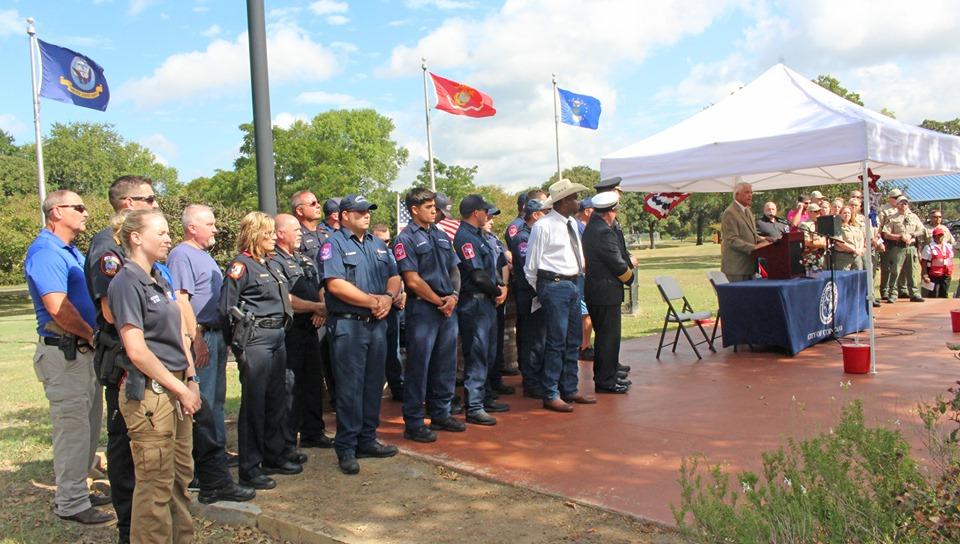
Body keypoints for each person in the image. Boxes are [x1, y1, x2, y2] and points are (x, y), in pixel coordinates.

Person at [108, 209, 200, 543]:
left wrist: (191, 380)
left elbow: (179, 335)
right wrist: (180, 388)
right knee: (155, 486)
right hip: (151, 394)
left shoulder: (158, 278)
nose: (168, 238)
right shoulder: (125, 282)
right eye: (160, 233)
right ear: (135, 237)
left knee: (179, 480)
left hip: (176, 388)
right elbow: (136, 350)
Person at [25, 190, 112, 526]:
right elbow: (57, 307)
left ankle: (79, 488)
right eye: (78, 207)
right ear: (55, 212)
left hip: (81, 352)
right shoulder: (46, 251)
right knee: (72, 429)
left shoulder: (70, 251)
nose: (86, 213)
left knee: (88, 427)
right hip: (66, 353)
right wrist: (91, 334)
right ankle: (71, 502)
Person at [84, 176, 157, 539]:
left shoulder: (128, 244)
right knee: (124, 441)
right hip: (124, 357)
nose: (156, 205)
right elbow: (113, 311)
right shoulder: (107, 246)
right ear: (128, 203)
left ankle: (142, 519)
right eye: (151, 199)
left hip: (140, 354)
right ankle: (129, 526)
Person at [320, 194, 401, 474]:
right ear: (344, 216)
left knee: (372, 384)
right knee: (349, 388)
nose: (366, 215)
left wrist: (389, 298)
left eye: (368, 211)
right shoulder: (333, 245)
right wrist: (373, 302)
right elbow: (335, 285)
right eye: (360, 211)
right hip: (348, 325)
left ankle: (367, 439)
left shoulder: (378, 244)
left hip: (377, 323)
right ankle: (346, 446)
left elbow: (394, 274)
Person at [220, 212, 299, 490]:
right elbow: (226, 308)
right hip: (256, 340)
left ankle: (274, 455)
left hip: (278, 336)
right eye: (267, 234)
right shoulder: (240, 266)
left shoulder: (270, 264)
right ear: (255, 235)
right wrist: (239, 345)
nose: (273, 238)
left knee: (277, 398)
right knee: (254, 404)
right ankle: (250, 468)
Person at [393, 188, 465, 442]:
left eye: (435, 206)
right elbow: (412, 280)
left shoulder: (441, 234)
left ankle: (441, 413)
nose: (435, 210)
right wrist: (439, 301)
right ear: (414, 209)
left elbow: (454, 268)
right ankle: (413, 421)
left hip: (447, 306)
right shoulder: (405, 239)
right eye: (429, 207)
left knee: (445, 364)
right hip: (424, 308)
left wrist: (453, 297)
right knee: (419, 366)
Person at [524, 179, 592, 412]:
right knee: (556, 340)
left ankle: (569, 388)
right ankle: (551, 391)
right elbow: (531, 265)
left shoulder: (571, 222)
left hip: (573, 283)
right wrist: (543, 290)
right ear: (563, 201)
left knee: (573, 339)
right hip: (554, 284)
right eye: (573, 198)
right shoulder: (543, 226)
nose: (577, 201)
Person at [167, 205, 229, 449]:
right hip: (202, 337)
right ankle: (202, 463)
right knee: (203, 400)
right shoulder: (181, 255)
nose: (215, 229)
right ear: (192, 228)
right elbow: (181, 300)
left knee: (217, 399)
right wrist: (197, 339)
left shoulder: (204, 254)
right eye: (210, 224)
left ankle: (217, 453)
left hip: (217, 334)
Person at [272, 214, 331, 457]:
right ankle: (287, 441)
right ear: (280, 234)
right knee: (290, 386)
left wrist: (322, 308)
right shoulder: (273, 261)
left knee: (313, 381)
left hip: (311, 327)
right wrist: (315, 307)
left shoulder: (304, 259)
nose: (300, 233)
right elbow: (285, 298)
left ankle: (313, 432)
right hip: (290, 330)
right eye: (295, 230)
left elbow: (320, 286)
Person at [454, 194, 508, 424]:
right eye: (485, 210)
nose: (488, 214)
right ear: (476, 213)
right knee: (476, 353)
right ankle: (474, 406)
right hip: (475, 301)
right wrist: (497, 291)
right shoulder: (466, 238)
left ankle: (485, 396)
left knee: (488, 352)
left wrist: (499, 289)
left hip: (486, 301)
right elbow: (476, 274)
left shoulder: (480, 236)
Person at [291, 190, 338, 429]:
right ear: (300, 210)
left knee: (332, 358)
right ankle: (308, 420)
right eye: (313, 203)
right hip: (311, 312)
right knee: (311, 367)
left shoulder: (325, 233)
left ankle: (332, 405)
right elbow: (299, 277)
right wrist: (318, 309)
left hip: (329, 305)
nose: (318, 206)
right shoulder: (295, 237)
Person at [583, 191, 634, 395]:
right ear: (609, 212)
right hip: (605, 291)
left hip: (599, 290)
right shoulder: (602, 231)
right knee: (608, 338)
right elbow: (616, 263)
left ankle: (608, 375)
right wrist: (630, 277)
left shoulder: (594, 227)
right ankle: (606, 380)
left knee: (606, 337)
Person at [505, 198, 548, 398]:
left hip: (537, 291)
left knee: (540, 337)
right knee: (532, 338)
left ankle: (537, 377)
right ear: (535, 215)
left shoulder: (533, 234)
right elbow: (528, 264)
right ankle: (531, 382)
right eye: (544, 212)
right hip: (529, 292)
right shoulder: (523, 237)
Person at [481, 207, 514, 406]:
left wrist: (504, 287)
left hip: (499, 295)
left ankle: (494, 381)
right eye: (489, 217)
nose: (492, 221)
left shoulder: (494, 239)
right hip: (485, 298)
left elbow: (503, 263)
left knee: (496, 343)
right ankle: (485, 389)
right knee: (483, 346)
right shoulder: (474, 240)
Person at [372, 223, 405, 402]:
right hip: (375, 308)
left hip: (393, 308)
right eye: (381, 240)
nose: (385, 244)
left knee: (394, 350)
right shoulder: (369, 253)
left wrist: (401, 294)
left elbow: (400, 276)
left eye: (388, 241)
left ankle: (397, 387)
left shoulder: (391, 254)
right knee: (377, 353)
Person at [720, 182, 770, 282]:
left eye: (751, 192)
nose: (750, 195)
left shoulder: (747, 210)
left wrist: (769, 240)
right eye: (747, 192)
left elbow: (752, 235)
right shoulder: (730, 212)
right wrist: (754, 247)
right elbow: (732, 239)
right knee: (738, 297)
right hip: (736, 269)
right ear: (737, 194)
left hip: (750, 267)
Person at [881, 196, 925, 303]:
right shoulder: (893, 218)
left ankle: (914, 293)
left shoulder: (913, 217)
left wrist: (911, 235)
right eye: (901, 203)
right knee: (895, 271)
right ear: (896, 204)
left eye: (905, 203)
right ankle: (893, 293)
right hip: (897, 247)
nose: (903, 205)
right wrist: (900, 237)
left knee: (912, 271)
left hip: (910, 247)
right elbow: (886, 234)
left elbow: (922, 230)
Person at [575, 197, 595, 361]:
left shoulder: (582, 227)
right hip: (582, 274)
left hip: (584, 273)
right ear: (587, 211)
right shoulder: (579, 227)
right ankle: (584, 345)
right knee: (585, 311)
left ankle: (585, 344)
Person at [921, 226, 954, 298]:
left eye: (941, 235)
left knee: (944, 293)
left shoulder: (948, 246)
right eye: (937, 235)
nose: (939, 237)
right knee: (933, 294)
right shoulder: (929, 247)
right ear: (933, 236)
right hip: (933, 275)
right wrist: (925, 275)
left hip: (946, 274)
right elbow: (924, 262)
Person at [832, 206, 865, 270]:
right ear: (840, 214)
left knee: (857, 278)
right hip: (843, 257)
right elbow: (839, 242)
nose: (847, 215)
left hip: (856, 256)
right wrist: (854, 250)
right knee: (844, 278)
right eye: (844, 213)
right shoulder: (836, 226)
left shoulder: (855, 226)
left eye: (848, 213)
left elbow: (861, 238)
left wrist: (860, 249)